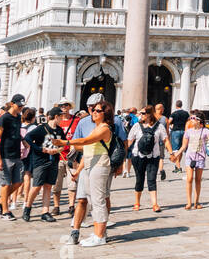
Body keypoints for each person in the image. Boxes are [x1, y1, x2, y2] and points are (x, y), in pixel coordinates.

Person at [62, 99, 115, 248]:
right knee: (92, 200)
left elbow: (86, 141)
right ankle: (98, 233)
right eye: (93, 110)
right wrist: (78, 171)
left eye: (98, 110)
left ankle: (100, 236)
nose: (94, 112)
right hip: (90, 165)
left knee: (98, 201)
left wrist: (65, 143)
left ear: (105, 114)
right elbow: (87, 152)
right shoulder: (96, 127)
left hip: (100, 166)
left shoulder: (104, 128)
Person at [22, 106, 67, 221]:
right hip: (40, 161)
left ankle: (45, 212)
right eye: (61, 116)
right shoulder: (42, 128)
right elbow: (27, 137)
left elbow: (63, 143)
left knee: (48, 186)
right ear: (56, 117)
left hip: (54, 161)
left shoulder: (60, 130)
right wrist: (41, 149)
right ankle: (27, 208)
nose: (62, 119)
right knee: (37, 186)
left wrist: (58, 150)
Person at [127, 106, 170, 212]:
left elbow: (166, 140)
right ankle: (137, 202)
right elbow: (129, 140)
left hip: (153, 156)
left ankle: (155, 204)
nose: (140, 115)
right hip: (138, 156)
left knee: (152, 179)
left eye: (142, 113)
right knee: (139, 179)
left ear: (149, 114)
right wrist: (124, 154)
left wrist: (171, 153)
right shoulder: (136, 126)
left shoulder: (159, 126)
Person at [172, 111, 209, 208]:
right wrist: (175, 155)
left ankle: (196, 202)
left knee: (198, 180)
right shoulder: (188, 132)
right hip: (189, 157)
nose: (191, 120)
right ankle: (189, 202)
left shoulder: (205, 131)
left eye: (193, 118)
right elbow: (183, 146)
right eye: (190, 118)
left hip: (200, 158)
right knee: (189, 178)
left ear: (199, 121)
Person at [168, 100, 190, 174]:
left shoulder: (174, 113)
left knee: (175, 150)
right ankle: (177, 166)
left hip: (176, 131)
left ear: (176, 105)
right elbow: (188, 121)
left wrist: (169, 127)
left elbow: (169, 121)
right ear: (182, 105)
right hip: (184, 131)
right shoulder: (186, 113)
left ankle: (178, 167)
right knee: (181, 149)